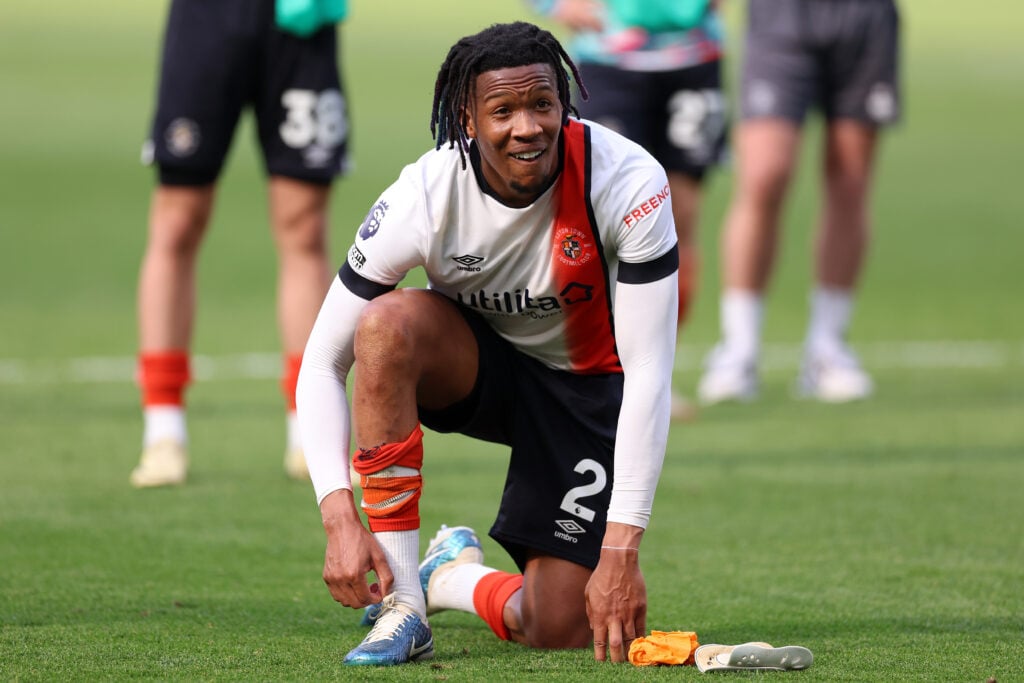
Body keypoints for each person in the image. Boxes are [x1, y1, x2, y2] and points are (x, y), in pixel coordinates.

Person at [296, 21, 679, 666]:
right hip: (479, 369)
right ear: (468, 121)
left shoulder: (628, 181)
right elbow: (322, 364)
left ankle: (446, 577)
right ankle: (402, 611)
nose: (526, 127)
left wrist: (620, 552)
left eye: (542, 105)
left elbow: (648, 371)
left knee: (557, 625)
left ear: (565, 104)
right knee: (384, 326)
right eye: (502, 111)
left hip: (587, 391)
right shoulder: (425, 194)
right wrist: (338, 515)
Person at [130, 0, 350, 488]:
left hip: (301, 21)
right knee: (178, 221)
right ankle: (163, 430)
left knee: (306, 227)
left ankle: (309, 431)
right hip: (209, 19)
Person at [528, 0, 727, 421]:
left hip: (695, 56)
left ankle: (654, 375)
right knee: (597, 221)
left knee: (678, 219)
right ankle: (591, 371)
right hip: (609, 59)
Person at [697, 0, 901, 404]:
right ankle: (739, 348)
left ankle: (827, 349)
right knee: (764, 174)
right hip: (781, 16)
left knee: (851, 180)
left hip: (865, 16)